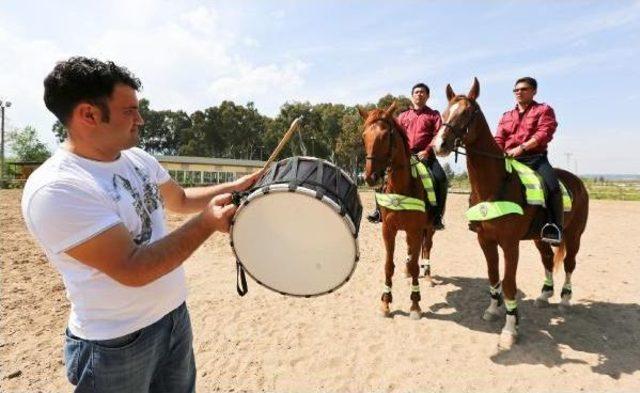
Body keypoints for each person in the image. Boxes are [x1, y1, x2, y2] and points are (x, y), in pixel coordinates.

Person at [21, 57, 260, 392]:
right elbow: (133, 268)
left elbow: (179, 199)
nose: (141, 119)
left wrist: (239, 186)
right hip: (115, 344)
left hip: (173, 318)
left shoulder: (136, 158)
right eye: (129, 111)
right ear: (88, 114)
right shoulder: (58, 188)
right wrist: (206, 224)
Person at [367, 82, 448, 230]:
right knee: (382, 176)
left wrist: (427, 151)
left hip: (426, 156)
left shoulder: (434, 115)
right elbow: (395, 136)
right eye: (416, 92)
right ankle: (378, 211)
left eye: (422, 92)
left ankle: (437, 216)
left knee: (441, 178)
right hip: (405, 156)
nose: (419, 94)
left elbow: (438, 135)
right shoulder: (403, 116)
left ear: (428, 96)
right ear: (412, 96)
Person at [495, 76, 562, 244]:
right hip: (510, 160)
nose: (519, 92)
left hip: (535, 159)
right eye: (516, 90)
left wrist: (522, 148)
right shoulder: (506, 115)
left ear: (534, 91)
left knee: (553, 188)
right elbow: (499, 138)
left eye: (523, 89)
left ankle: (554, 227)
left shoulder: (544, 110)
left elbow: (544, 133)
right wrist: (499, 152)